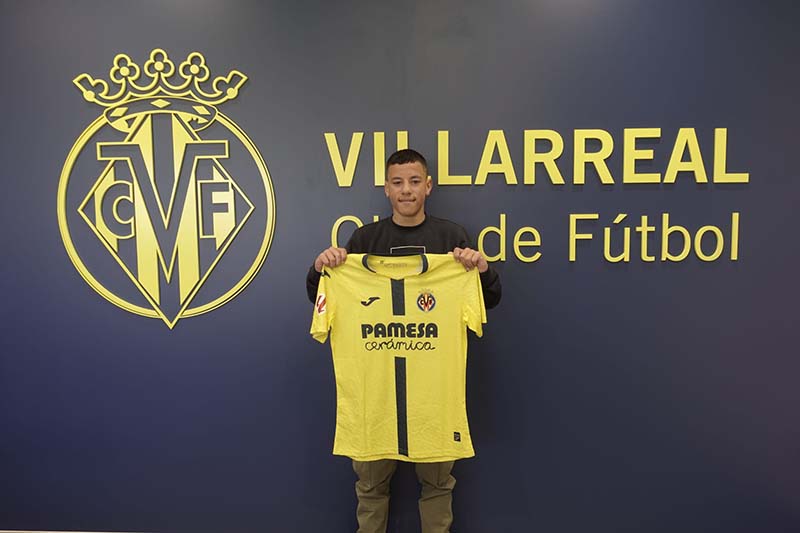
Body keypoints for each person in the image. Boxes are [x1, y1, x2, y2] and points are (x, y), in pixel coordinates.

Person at [306, 149, 501, 533]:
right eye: (397, 182)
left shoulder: (452, 238)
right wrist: (320, 270)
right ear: (386, 188)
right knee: (370, 487)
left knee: (438, 486)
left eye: (414, 181)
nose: (406, 190)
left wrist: (481, 270)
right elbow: (325, 300)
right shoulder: (364, 239)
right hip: (374, 400)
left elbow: (486, 301)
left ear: (428, 186)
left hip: (433, 401)